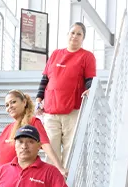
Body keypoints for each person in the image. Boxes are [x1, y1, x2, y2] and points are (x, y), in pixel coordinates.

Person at [36, 22, 97, 167]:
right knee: (51, 151)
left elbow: (90, 80)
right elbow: (45, 79)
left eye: (79, 34)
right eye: (72, 32)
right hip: (51, 111)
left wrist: (90, 89)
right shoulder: (55, 54)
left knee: (70, 149)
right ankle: (54, 180)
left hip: (72, 111)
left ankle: (67, 180)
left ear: (83, 38)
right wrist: (39, 99)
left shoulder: (87, 56)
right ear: (67, 34)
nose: (75, 36)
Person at [0, 89, 66, 179]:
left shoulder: (33, 122)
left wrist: (60, 168)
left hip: (13, 179)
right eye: (7, 105)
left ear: (24, 102)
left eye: (13, 102)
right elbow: (0, 153)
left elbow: (45, 145)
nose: (10, 107)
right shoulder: (8, 128)